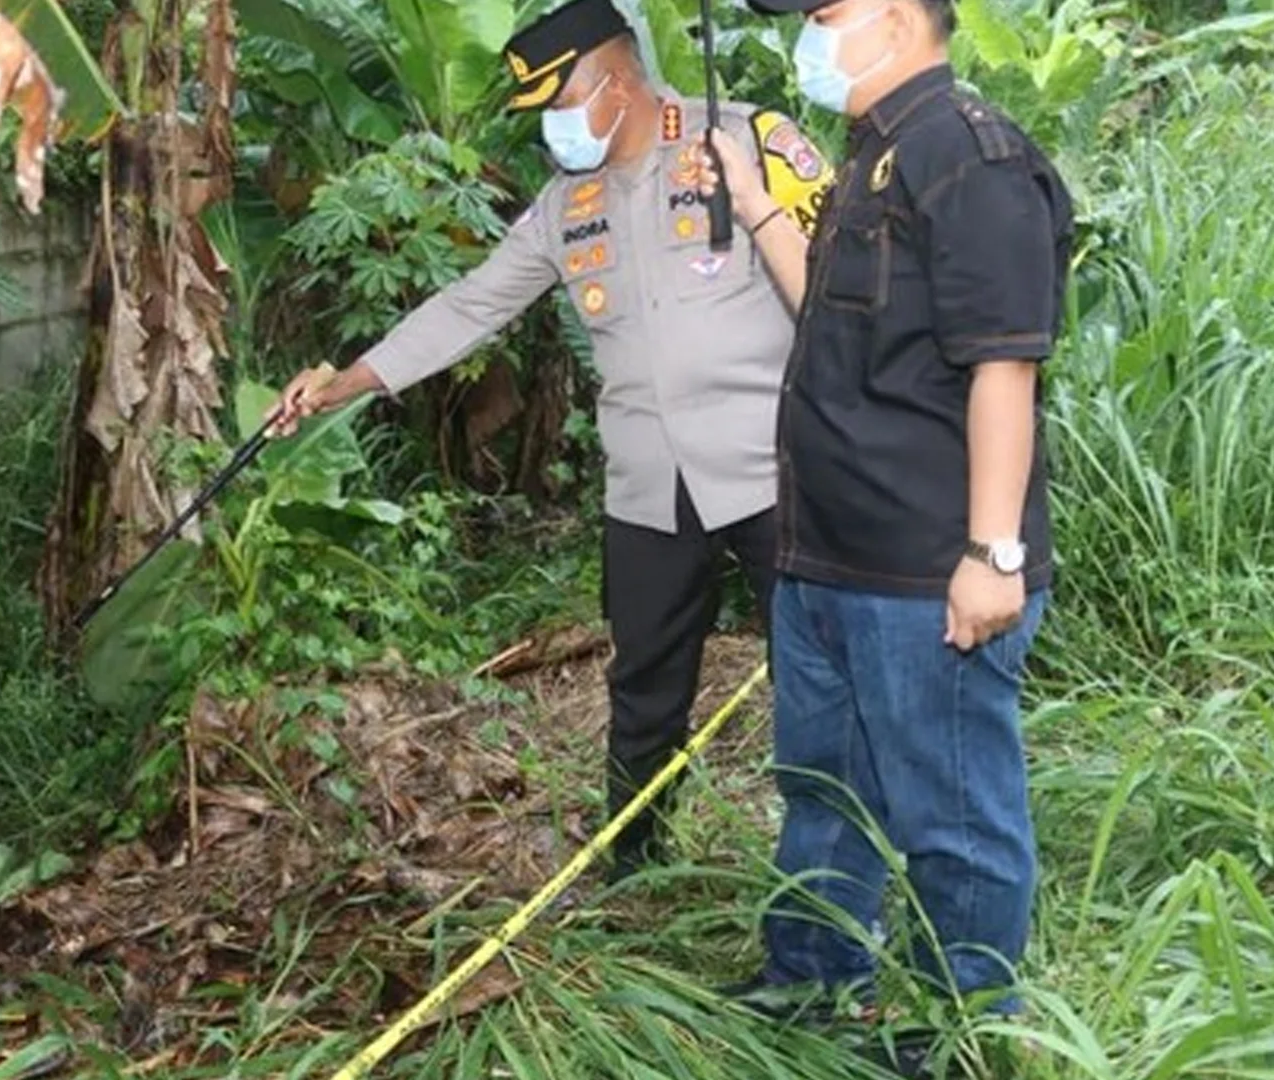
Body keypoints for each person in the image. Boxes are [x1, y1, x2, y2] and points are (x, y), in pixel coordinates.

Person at [266, 0, 836, 883]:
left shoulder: (746, 142)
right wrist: (344, 382)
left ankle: (832, 882)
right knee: (644, 687)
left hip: (777, 472)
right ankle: (633, 864)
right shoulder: (565, 206)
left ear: (616, 81)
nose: (554, 130)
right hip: (650, 488)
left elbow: (841, 288)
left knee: (819, 681)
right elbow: (471, 304)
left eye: (561, 104)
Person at [696, 0, 1075, 1041]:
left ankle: (959, 1026)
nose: (811, 32)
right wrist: (760, 203)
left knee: (951, 816)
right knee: (823, 789)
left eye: (826, 11)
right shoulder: (876, 156)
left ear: (901, 18)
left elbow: (1006, 362)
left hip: (924, 571)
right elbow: (832, 302)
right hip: (825, 557)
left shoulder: (970, 156)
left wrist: (991, 553)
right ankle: (815, 975)